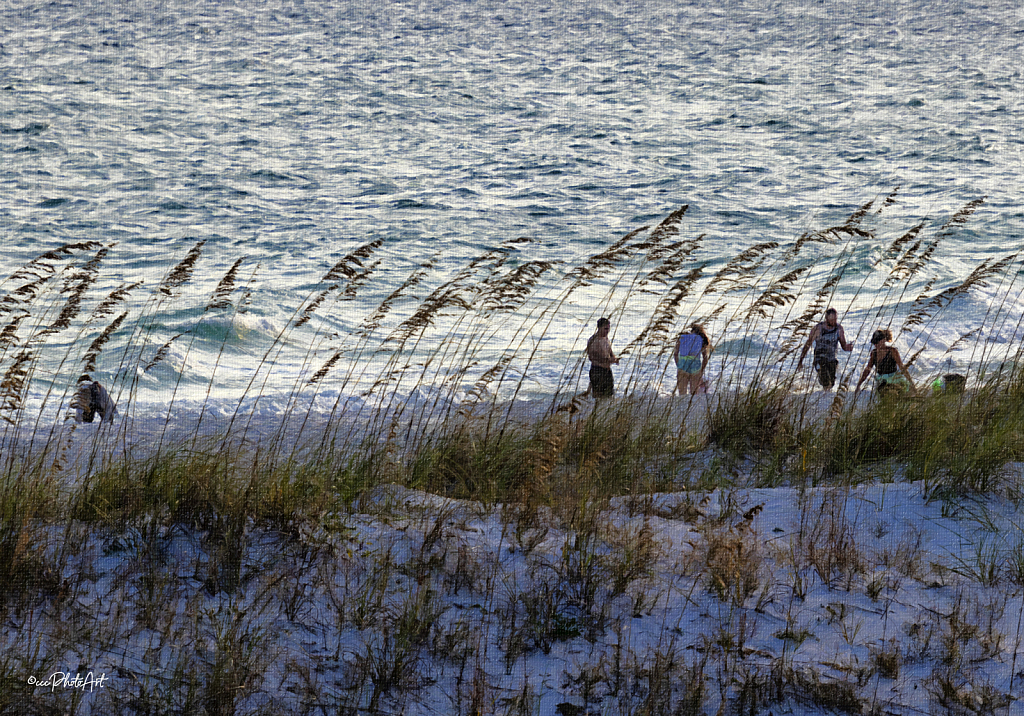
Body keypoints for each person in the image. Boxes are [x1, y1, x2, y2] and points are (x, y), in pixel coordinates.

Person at [797, 308, 853, 390]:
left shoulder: (839, 329)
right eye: (832, 319)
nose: (834, 322)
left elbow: (843, 346)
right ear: (826, 319)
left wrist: (849, 347)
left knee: (831, 383)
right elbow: (808, 344)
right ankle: (822, 395)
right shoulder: (818, 329)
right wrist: (801, 360)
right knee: (825, 381)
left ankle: (823, 396)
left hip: (831, 359)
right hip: (819, 359)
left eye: (835, 319)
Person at [854, 329, 916, 399]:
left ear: (884, 340)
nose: (875, 344)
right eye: (874, 342)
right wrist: (859, 384)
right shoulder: (874, 353)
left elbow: (902, 367)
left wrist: (911, 383)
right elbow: (868, 369)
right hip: (881, 381)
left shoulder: (892, 351)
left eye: (877, 342)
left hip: (894, 379)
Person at [672, 323, 711, 395]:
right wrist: (701, 370)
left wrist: (679, 365)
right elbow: (705, 358)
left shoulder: (682, 337)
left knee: (682, 394)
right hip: (695, 366)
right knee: (694, 394)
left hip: (683, 365)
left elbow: (675, 354)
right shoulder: (701, 339)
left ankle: (682, 405)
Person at [585, 317, 619, 398]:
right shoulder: (593, 340)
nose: (607, 331)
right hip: (597, 371)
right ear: (599, 328)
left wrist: (614, 358)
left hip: (607, 371)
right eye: (605, 329)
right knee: (598, 397)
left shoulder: (606, 339)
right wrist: (607, 360)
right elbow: (591, 357)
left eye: (608, 329)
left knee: (609, 397)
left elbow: (610, 352)